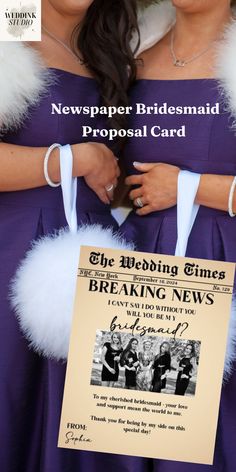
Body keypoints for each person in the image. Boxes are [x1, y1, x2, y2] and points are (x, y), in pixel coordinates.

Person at [0, 1, 145, 471]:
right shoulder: (9, 29)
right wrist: (71, 160)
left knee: (111, 425)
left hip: (102, 256)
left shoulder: (114, 45)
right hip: (16, 255)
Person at [120, 0, 236, 469]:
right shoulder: (132, 52)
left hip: (220, 264)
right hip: (138, 271)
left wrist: (188, 187)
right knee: (130, 430)